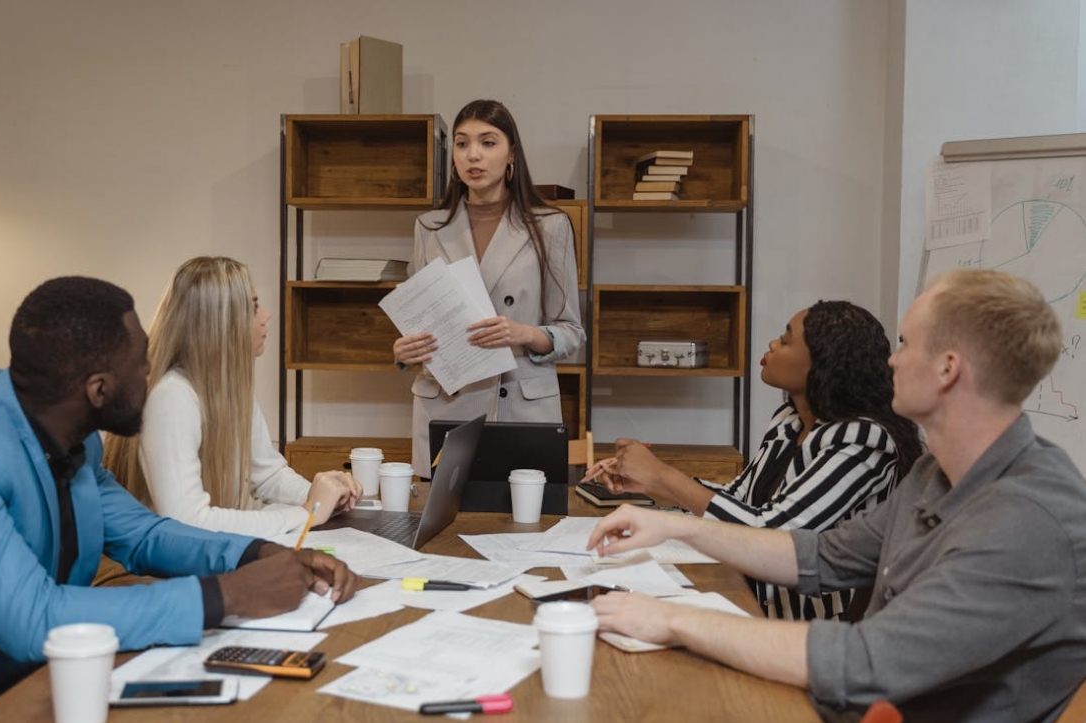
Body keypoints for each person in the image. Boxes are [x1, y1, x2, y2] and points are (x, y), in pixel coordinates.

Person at [587, 270, 1086, 723]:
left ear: (947, 369)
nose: (891, 359)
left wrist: (673, 619)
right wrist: (676, 525)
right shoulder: (936, 473)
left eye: (907, 343)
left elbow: (870, 662)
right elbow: (820, 555)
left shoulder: (1026, 519)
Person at [0, 277, 359, 723]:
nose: (152, 374)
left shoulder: (74, 438)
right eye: (143, 365)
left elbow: (144, 535)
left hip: (50, 680)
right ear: (98, 389)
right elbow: (32, 618)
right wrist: (228, 595)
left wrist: (256, 554)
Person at [585, 300, 923, 620]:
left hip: (807, 625)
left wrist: (664, 477)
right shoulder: (790, 420)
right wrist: (653, 488)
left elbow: (773, 535)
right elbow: (738, 500)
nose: (773, 344)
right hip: (749, 597)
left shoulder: (863, 439)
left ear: (822, 363)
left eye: (787, 340)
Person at [393, 99, 585, 478]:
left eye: (488, 142)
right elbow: (420, 319)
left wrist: (523, 332)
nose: (473, 155)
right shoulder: (428, 227)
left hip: (519, 405)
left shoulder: (550, 226)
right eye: (462, 144)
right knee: (439, 532)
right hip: (446, 407)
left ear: (511, 154)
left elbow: (572, 333)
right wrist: (404, 350)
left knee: (521, 531)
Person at [104, 257, 361, 538]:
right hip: (162, 566)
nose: (266, 316)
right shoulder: (172, 398)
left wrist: (324, 496)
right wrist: (306, 512)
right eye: (252, 308)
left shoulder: (229, 388)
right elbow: (188, 521)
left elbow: (269, 475)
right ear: (221, 323)